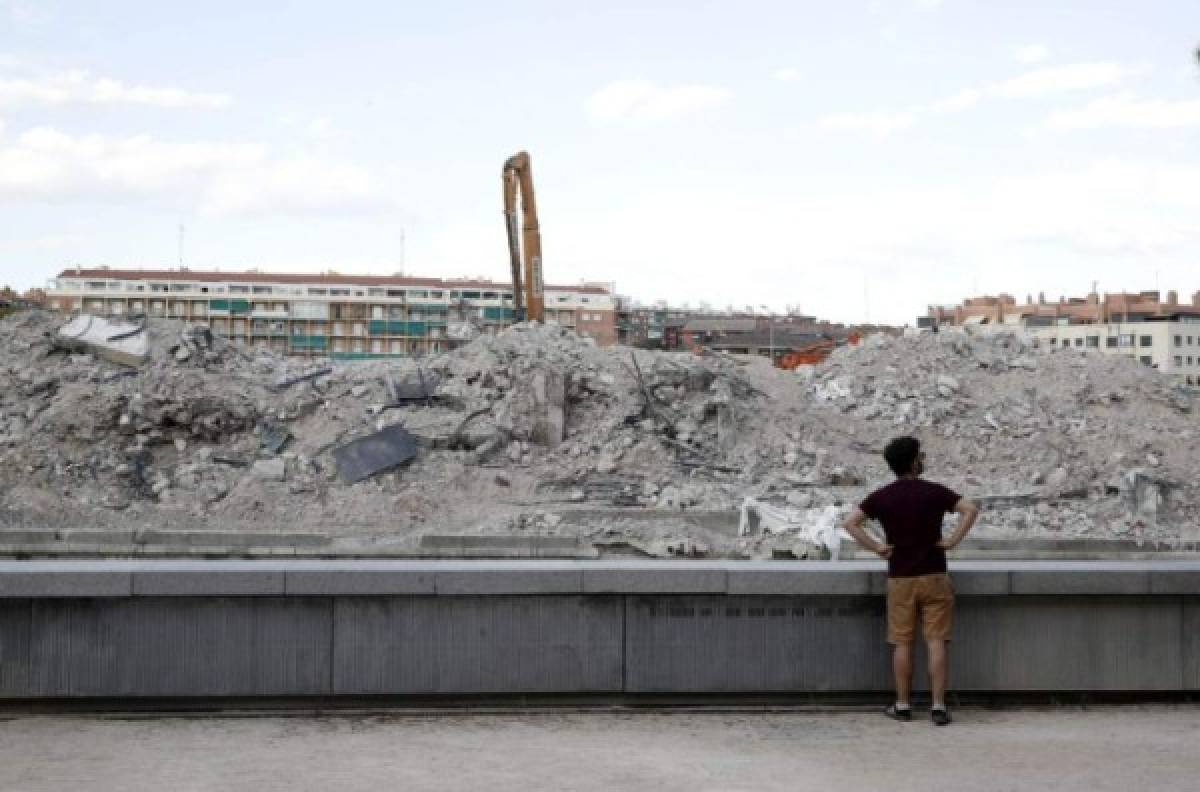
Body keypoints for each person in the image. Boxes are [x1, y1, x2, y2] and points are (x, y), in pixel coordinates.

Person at [843, 435, 979, 726]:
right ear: (914, 461)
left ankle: (902, 705)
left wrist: (878, 547)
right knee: (936, 640)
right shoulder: (934, 492)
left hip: (901, 578)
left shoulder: (882, 496)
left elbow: (850, 523)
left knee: (902, 642)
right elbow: (970, 509)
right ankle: (938, 706)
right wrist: (953, 540)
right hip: (934, 574)